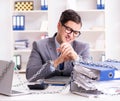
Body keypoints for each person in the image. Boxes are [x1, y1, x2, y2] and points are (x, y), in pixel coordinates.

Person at [26, 9, 90, 82]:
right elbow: (30, 75)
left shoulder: (83, 47)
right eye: (68, 29)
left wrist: (76, 59)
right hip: (47, 91)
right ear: (59, 26)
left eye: (75, 32)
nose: (71, 36)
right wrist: (56, 62)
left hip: (72, 92)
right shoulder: (39, 46)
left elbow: (91, 75)